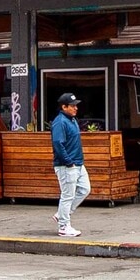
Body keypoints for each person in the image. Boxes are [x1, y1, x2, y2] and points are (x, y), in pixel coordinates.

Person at [51, 92, 90, 238]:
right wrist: (68, 162)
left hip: (77, 163)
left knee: (85, 189)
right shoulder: (60, 122)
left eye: (76, 106)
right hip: (67, 165)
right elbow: (57, 143)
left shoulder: (72, 120)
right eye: (72, 106)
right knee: (67, 195)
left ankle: (62, 214)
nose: (76, 108)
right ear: (64, 107)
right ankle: (63, 226)